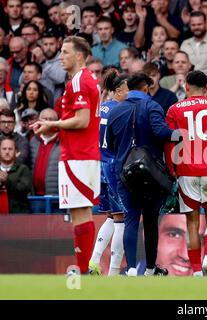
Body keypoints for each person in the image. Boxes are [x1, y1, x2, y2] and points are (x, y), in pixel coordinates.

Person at [31, 36, 101, 275]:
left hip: (78, 155)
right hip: (83, 154)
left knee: (80, 210)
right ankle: (86, 268)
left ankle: (82, 270)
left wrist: (53, 125)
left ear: (79, 56)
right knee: (82, 210)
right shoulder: (83, 80)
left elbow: (82, 120)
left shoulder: (80, 81)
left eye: (65, 52)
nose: (60, 57)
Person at [106, 72, 173, 277]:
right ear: (145, 88)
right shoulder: (152, 106)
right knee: (151, 221)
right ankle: (151, 269)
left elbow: (110, 142)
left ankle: (132, 268)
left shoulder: (115, 111)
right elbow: (162, 133)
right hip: (151, 175)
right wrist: (182, 134)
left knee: (130, 221)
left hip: (125, 175)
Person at [165, 70, 207, 276]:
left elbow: (170, 141)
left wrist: (171, 168)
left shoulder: (175, 109)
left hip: (186, 170)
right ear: (206, 87)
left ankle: (195, 271)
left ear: (186, 86)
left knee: (191, 223)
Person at [88, 71, 129, 277]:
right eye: (127, 88)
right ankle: (113, 273)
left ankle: (94, 262)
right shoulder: (121, 109)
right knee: (122, 218)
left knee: (112, 217)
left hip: (99, 165)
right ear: (118, 90)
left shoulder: (100, 108)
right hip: (114, 166)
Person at [0, 137, 32, 214]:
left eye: (10, 149)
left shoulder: (23, 169)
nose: (7, 152)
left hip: (17, 215)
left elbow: (24, 190)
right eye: (4, 149)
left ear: (16, 152)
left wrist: (7, 181)